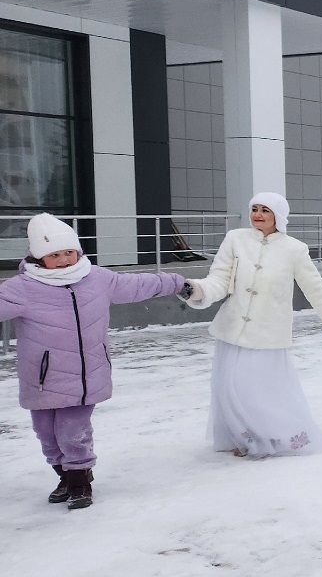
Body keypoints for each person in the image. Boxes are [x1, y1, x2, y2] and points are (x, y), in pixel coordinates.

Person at [0, 213, 185, 509]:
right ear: (38, 257)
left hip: (85, 376)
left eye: (68, 252)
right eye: (54, 255)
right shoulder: (22, 288)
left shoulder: (97, 278)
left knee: (73, 431)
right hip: (42, 379)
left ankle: (80, 481)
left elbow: (137, 285)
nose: (63, 260)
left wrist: (176, 282)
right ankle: (64, 475)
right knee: (46, 433)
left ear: (78, 250)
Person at [182, 192, 322, 457]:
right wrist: (197, 290)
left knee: (256, 391)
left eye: (265, 210)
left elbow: (316, 290)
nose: (258, 215)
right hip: (232, 330)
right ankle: (245, 439)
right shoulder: (235, 239)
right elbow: (219, 279)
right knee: (228, 388)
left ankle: (268, 438)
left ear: (279, 216)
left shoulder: (294, 249)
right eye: (254, 208)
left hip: (268, 334)